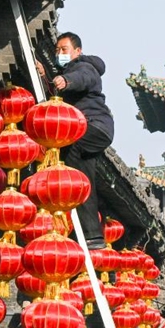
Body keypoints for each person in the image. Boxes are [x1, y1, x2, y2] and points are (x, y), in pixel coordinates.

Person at [36, 32, 114, 250]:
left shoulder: (84, 67)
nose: (59, 53)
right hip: (87, 130)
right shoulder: (67, 72)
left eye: (64, 49)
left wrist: (67, 80)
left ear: (77, 51)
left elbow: (81, 80)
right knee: (82, 179)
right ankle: (92, 236)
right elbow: (57, 94)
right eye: (57, 50)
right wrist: (45, 76)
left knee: (67, 150)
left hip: (94, 126)